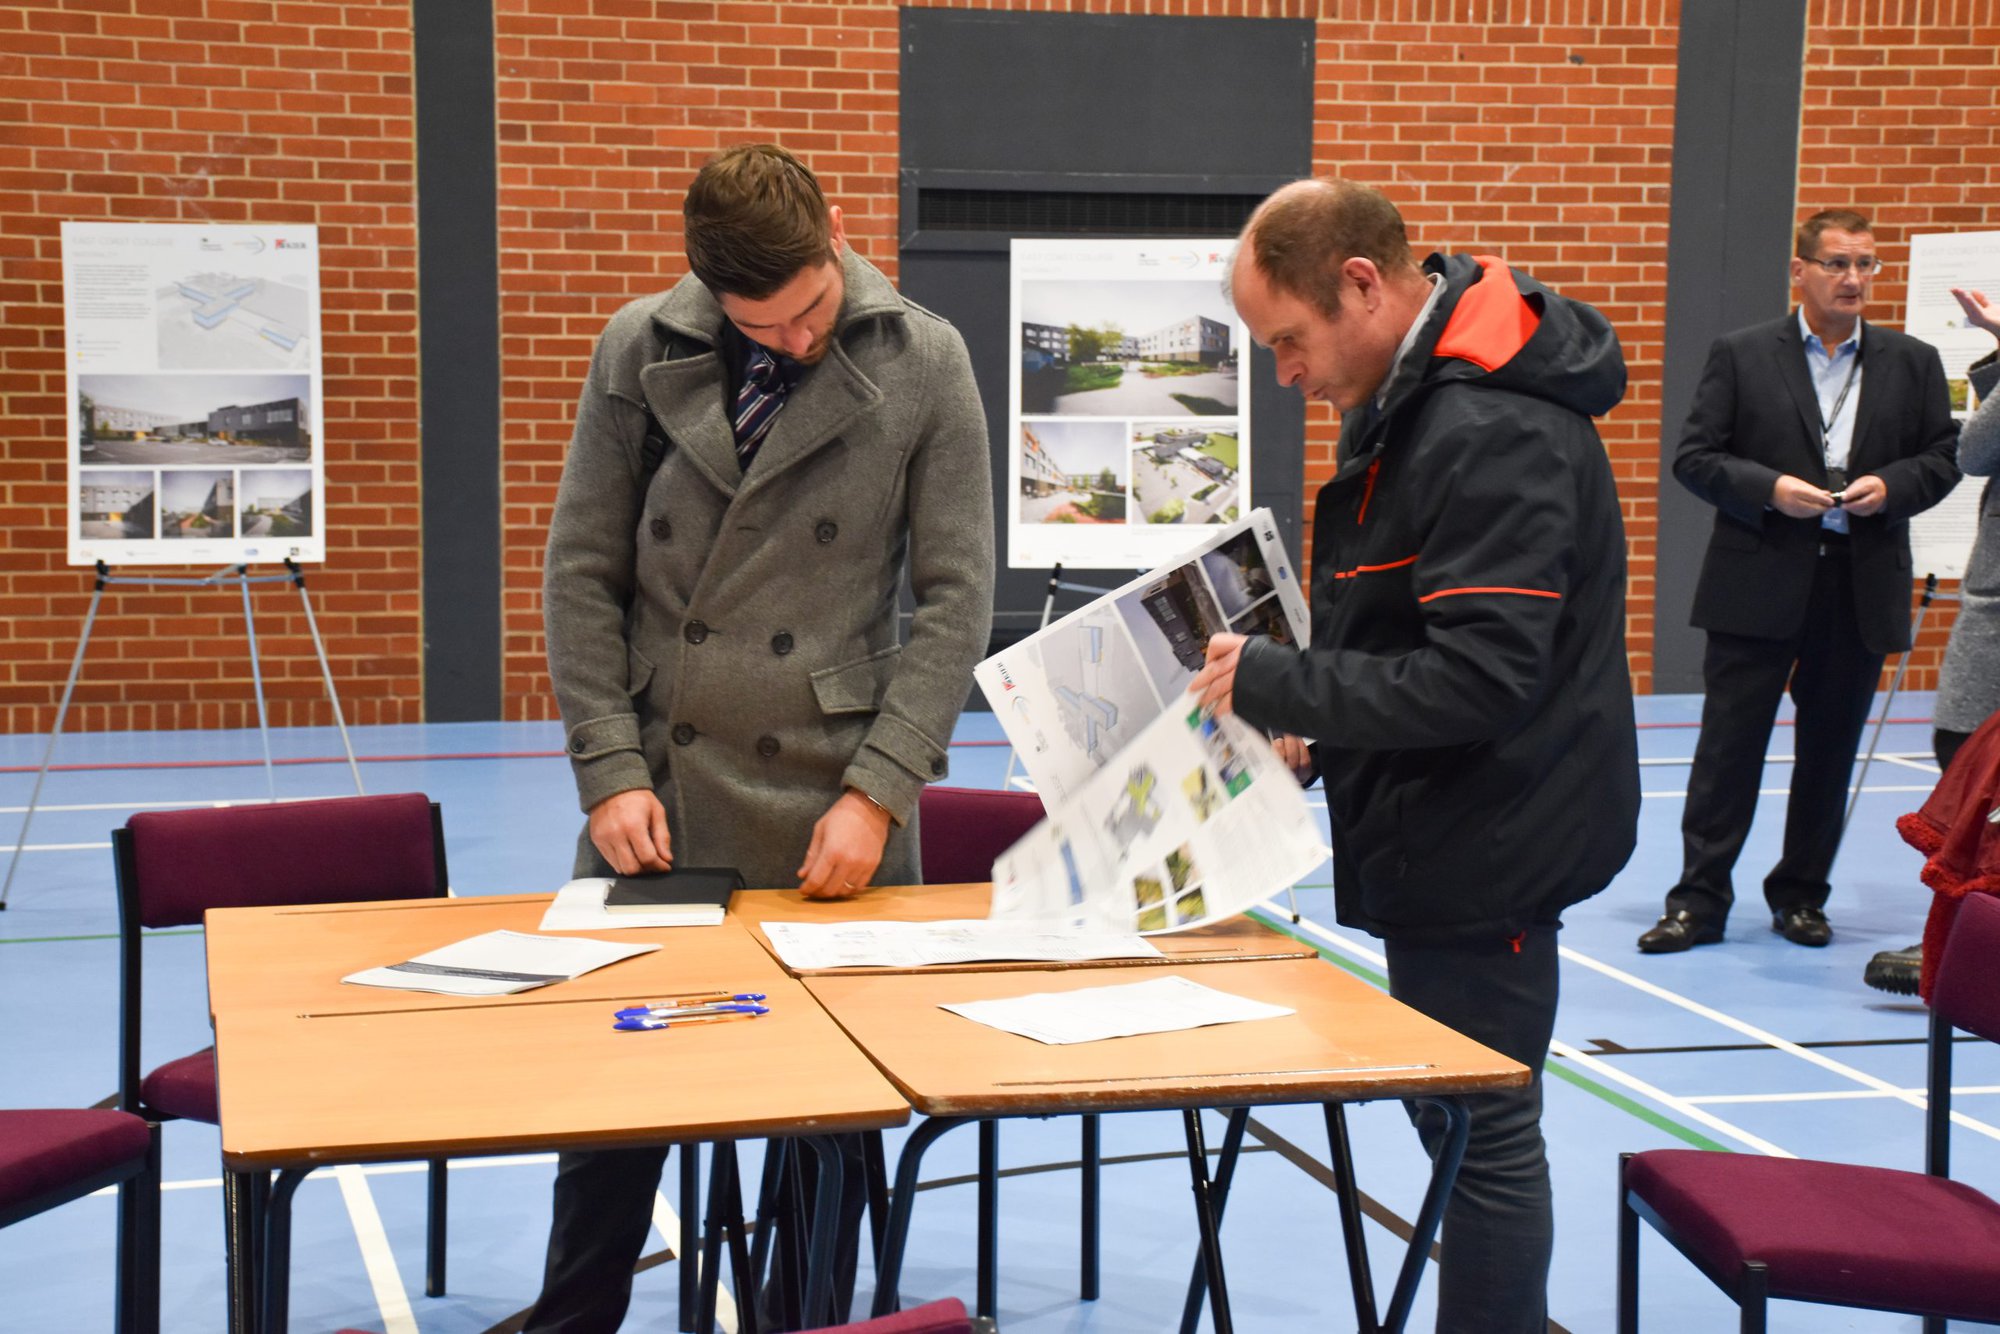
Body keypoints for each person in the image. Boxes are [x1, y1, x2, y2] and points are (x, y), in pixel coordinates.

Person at [529, 143, 995, 1331]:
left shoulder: (927, 358)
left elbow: (955, 599)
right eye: (765, 325)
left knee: (823, 1137)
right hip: (661, 796)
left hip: (831, 801)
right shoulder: (637, 350)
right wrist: (607, 763)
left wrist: (881, 786)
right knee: (612, 1119)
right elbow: (582, 570)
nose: (795, 339)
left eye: (812, 309)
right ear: (709, 294)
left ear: (835, 230)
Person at [1191, 178, 1639, 1334]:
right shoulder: (1419, 399)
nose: (1285, 373)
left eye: (1288, 342)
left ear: (1361, 285)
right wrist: (1320, 724)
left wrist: (1278, 679)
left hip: (1495, 827)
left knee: (1479, 1129)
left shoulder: (1487, 425)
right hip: (1448, 818)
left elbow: (1483, 677)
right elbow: (1402, 625)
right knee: (1454, 1120)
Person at [1638, 209, 1961, 954]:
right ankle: (1697, 902)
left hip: (1858, 582)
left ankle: (1801, 898)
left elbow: (1942, 459)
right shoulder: (1743, 355)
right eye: (1838, 263)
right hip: (1758, 579)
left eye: (1867, 265)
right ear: (1800, 270)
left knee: (1829, 751)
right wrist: (1770, 488)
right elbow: (1695, 457)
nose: (1854, 279)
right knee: (1728, 752)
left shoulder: (1911, 362)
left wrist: (1893, 485)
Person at [1865, 285, 2000, 993]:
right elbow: (1977, 453)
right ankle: (1964, 935)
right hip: (1991, 608)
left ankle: (1973, 947)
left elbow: (1976, 452)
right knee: (1963, 762)